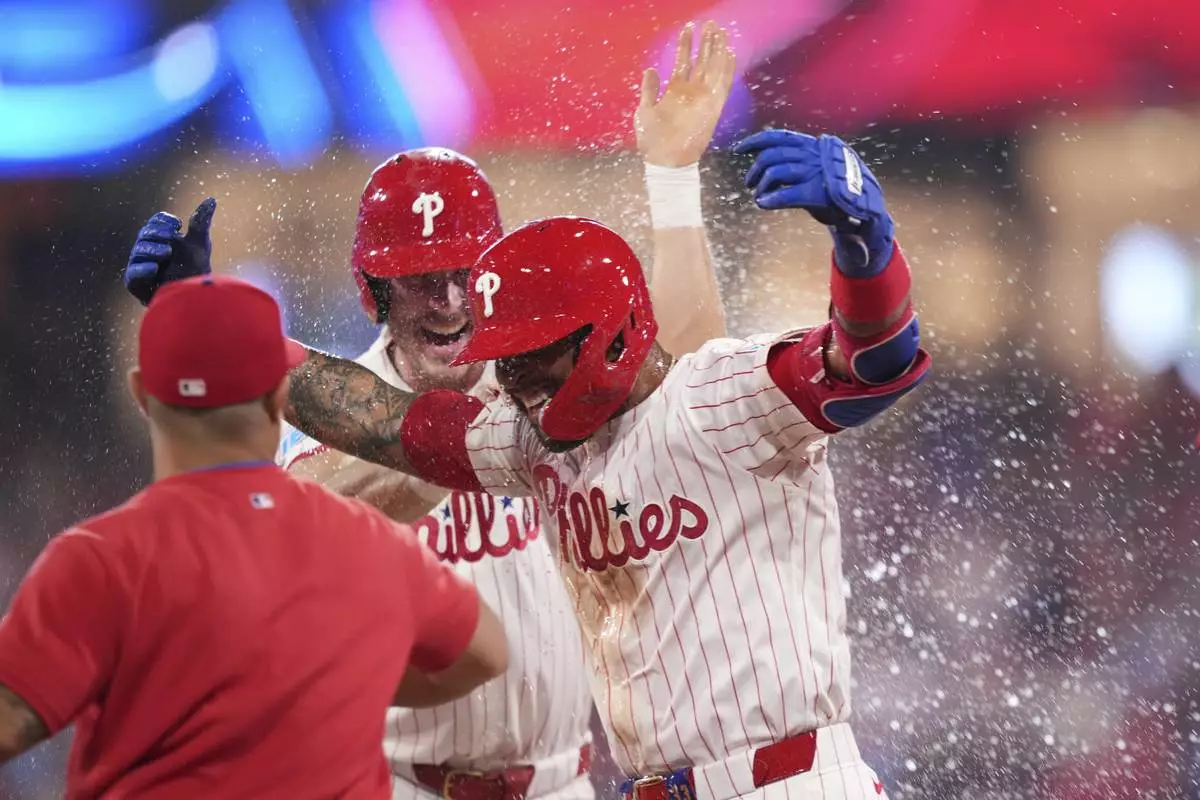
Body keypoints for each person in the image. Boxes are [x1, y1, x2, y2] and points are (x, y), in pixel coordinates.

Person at [124, 21, 737, 800]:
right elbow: (295, 515)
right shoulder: (338, 419)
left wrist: (674, 180)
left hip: (561, 783)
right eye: (420, 278)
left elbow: (694, 384)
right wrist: (206, 322)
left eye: (463, 272)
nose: (448, 300)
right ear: (372, 290)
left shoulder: (554, 382)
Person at [0, 275, 508, 799]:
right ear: (279, 399)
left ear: (143, 395)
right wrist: (339, 681)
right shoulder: (371, 542)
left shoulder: (102, 561)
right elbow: (486, 654)